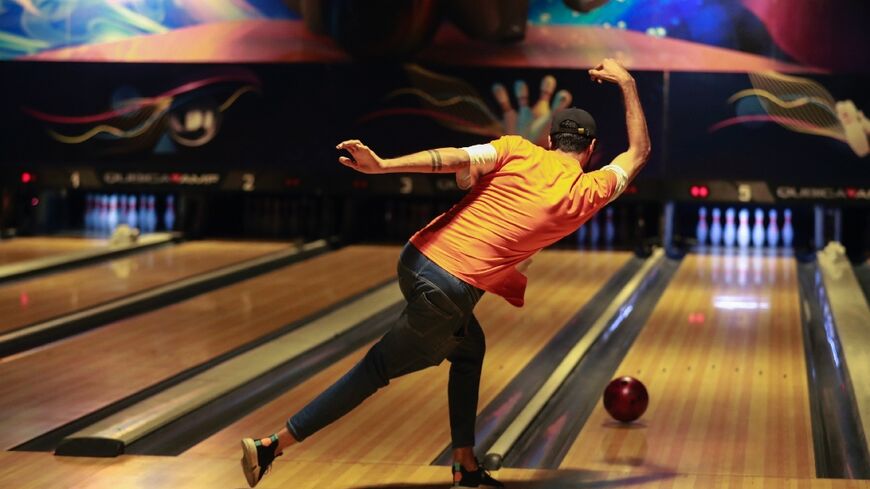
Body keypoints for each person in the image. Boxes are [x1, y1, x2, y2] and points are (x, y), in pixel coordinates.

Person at [240, 58, 650, 488]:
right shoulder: (589, 190)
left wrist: (383, 166)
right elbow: (639, 152)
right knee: (375, 370)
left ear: (549, 138)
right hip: (448, 290)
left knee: (469, 349)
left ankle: (465, 465)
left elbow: (453, 157)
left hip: (416, 258)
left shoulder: (517, 148)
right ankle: (272, 445)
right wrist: (627, 82)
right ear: (590, 150)